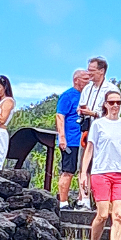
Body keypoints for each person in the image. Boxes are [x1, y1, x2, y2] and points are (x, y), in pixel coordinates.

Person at [82, 83, 121, 240]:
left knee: (118, 216)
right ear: (105, 104)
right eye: (112, 102)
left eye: (118, 102)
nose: (115, 106)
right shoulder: (98, 125)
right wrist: (83, 174)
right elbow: (89, 149)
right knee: (103, 214)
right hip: (101, 172)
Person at [55, 67, 87, 205]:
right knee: (68, 171)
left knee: (84, 171)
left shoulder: (87, 96)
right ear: (76, 80)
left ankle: (82, 199)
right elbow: (60, 116)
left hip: (84, 140)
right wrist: (62, 137)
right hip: (71, 140)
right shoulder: (67, 96)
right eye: (85, 79)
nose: (88, 81)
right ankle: (63, 202)